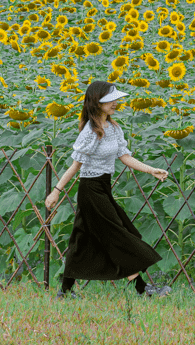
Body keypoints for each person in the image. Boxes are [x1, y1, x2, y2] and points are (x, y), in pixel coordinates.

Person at [44, 80, 171, 299]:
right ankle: (142, 290)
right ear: (96, 102)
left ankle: (64, 292)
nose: (115, 103)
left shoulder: (113, 128)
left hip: (103, 187)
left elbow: (125, 157)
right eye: (110, 100)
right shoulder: (91, 132)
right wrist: (56, 190)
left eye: (115, 99)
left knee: (81, 240)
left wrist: (151, 170)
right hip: (90, 190)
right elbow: (76, 166)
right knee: (117, 233)